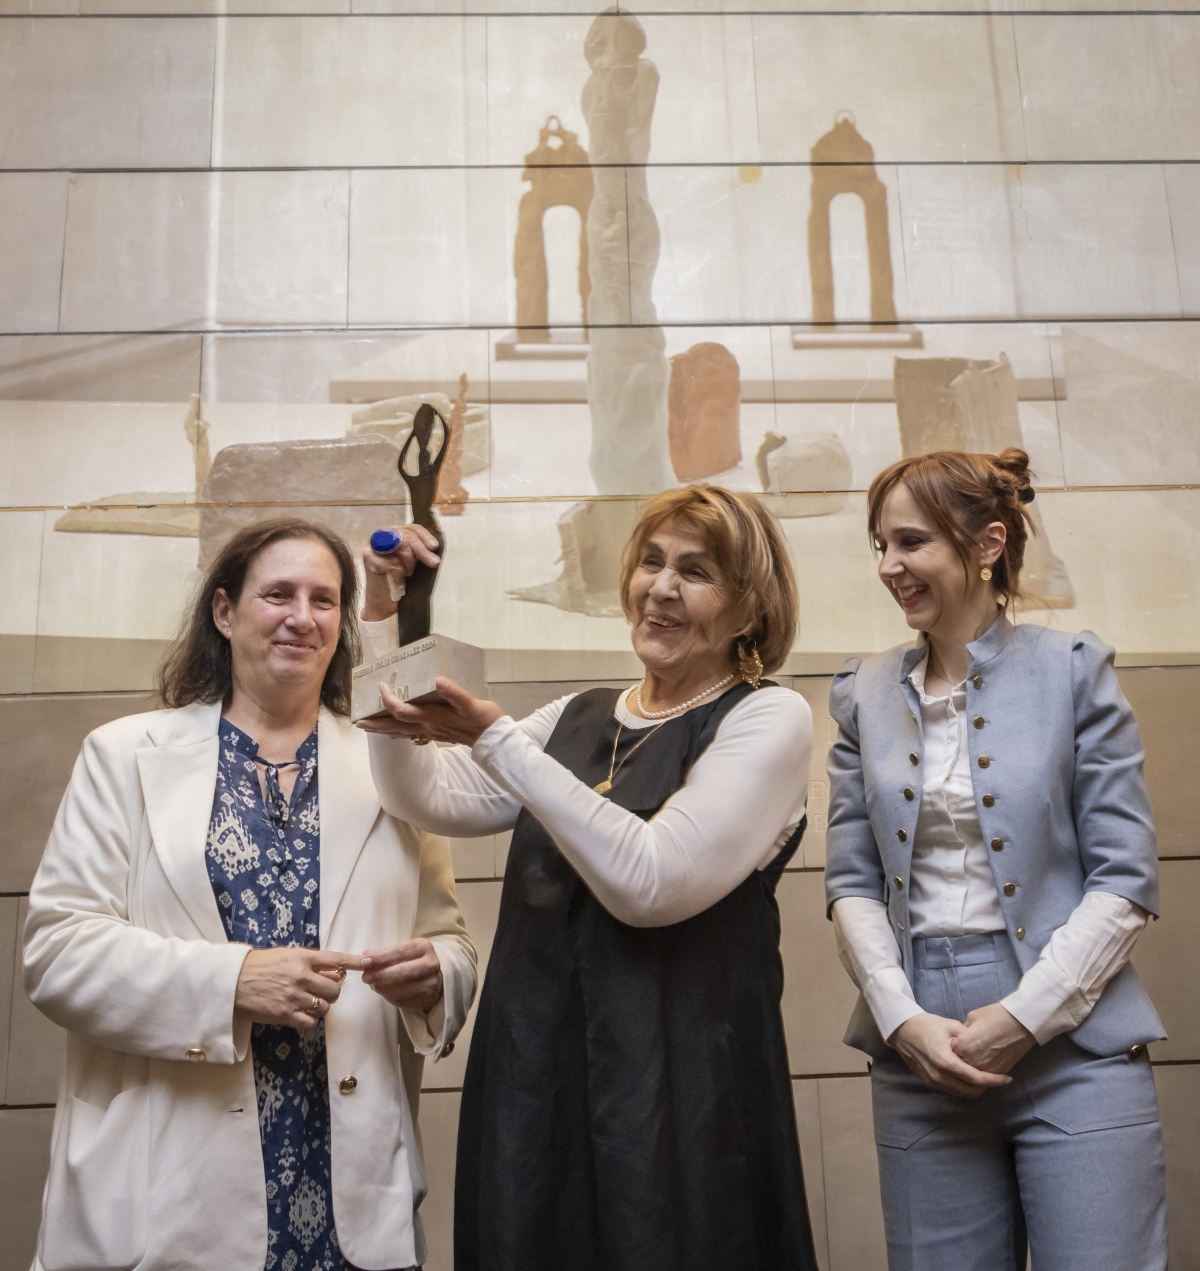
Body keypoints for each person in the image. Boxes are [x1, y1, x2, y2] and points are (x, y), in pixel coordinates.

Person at [357, 485, 819, 1271]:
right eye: (651, 561)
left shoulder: (767, 718)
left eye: (697, 571)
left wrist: (499, 740)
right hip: (538, 1079)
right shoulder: (577, 715)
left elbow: (651, 881)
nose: (662, 587)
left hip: (679, 1094)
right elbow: (423, 793)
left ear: (749, 612)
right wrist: (382, 618)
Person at [23, 518, 476, 1271]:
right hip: (168, 1202)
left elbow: (450, 937)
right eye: (279, 594)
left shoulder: (395, 767)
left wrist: (438, 975)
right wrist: (233, 981)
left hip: (349, 1209)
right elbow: (55, 951)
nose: (303, 616)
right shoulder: (123, 756)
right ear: (225, 612)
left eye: (325, 599)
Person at [824, 448, 1167, 1270]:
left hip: (1077, 1048)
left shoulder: (1075, 670)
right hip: (919, 1061)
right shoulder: (860, 694)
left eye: (910, 542)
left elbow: (1125, 877)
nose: (890, 566)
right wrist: (903, 1021)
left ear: (987, 543)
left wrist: (1025, 1017)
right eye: (879, 546)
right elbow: (851, 884)